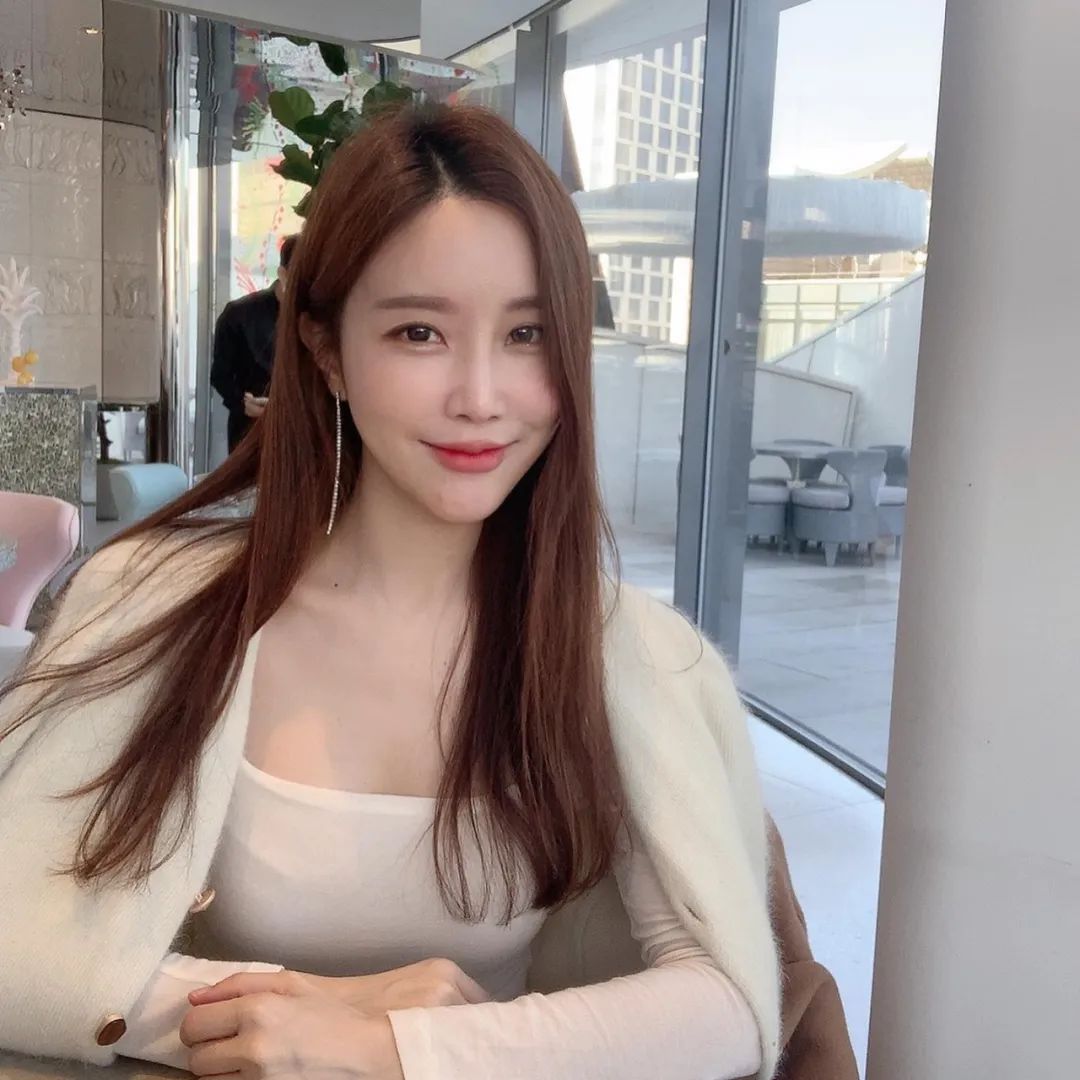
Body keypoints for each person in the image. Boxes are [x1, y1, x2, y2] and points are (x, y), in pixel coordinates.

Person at [0, 106, 781, 1080]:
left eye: (528, 333)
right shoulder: (154, 605)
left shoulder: (631, 657)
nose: (480, 396)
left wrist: (393, 1046)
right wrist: (279, 1017)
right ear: (327, 350)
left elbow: (728, 1004)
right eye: (420, 332)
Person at [211, 234, 298, 453]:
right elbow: (220, 375)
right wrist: (243, 403)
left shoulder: (318, 318)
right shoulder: (239, 314)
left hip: (303, 434)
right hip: (250, 433)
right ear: (283, 274)